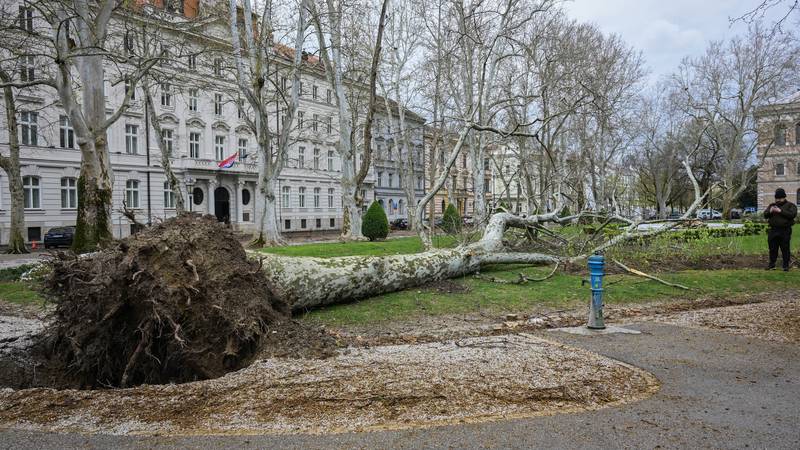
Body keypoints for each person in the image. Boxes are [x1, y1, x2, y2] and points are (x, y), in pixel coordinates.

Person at [763, 188, 797, 271]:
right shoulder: (772, 205)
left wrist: (780, 211)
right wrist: (770, 211)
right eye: (776, 198)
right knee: (772, 248)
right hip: (773, 230)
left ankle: (785, 266)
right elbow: (765, 215)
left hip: (785, 230)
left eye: (780, 198)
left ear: (784, 197)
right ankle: (772, 265)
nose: (778, 200)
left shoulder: (790, 205)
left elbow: (792, 215)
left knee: (785, 248)